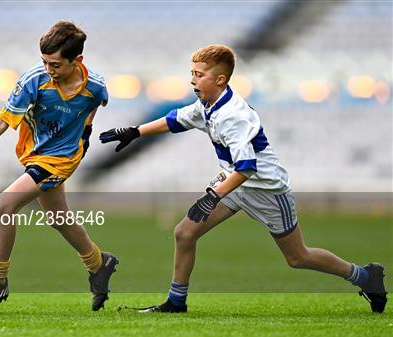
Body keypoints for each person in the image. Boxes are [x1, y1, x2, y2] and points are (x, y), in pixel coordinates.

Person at [99, 44, 387, 313]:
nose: (193, 81)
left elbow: (247, 166)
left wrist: (213, 196)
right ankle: (176, 302)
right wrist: (136, 131)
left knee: (298, 257)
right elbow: (175, 120)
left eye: (199, 75)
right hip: (234, 184)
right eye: (192, 74)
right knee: (184, 233)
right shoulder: (207, 103)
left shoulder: (233, 116)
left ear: (221, 79)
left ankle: (365, 276)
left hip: (266, 190)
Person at [0, 21, 118, 311]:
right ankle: (99, 263)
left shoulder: (96, 87)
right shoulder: (35, 80)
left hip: (63, 158)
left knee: (3, 205)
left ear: (78, 61)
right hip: (33, 155)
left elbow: (95, 106)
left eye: (56, 64)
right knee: (58, 218)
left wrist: (82, 133)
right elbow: (2, 119)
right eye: (44, 62)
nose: (49, 69)